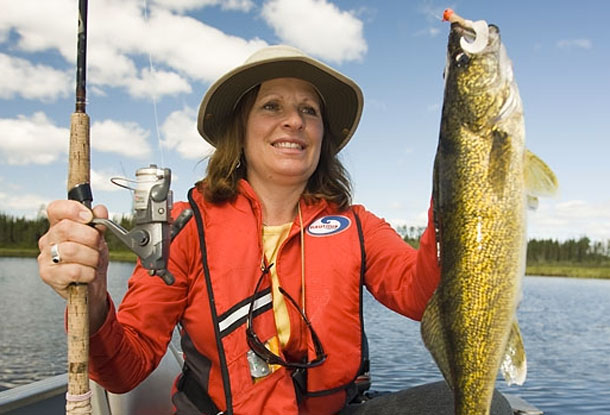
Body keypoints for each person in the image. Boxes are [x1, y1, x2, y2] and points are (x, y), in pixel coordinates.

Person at [38, 45, 442, 415]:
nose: (293, 121)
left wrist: (461, 200)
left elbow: (424, 297)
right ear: (241, 130)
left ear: (323, 136)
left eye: (309, 111)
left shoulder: (359, 226)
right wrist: (91, 301)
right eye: (271, 106)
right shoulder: (187, 227)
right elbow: (125, 369)